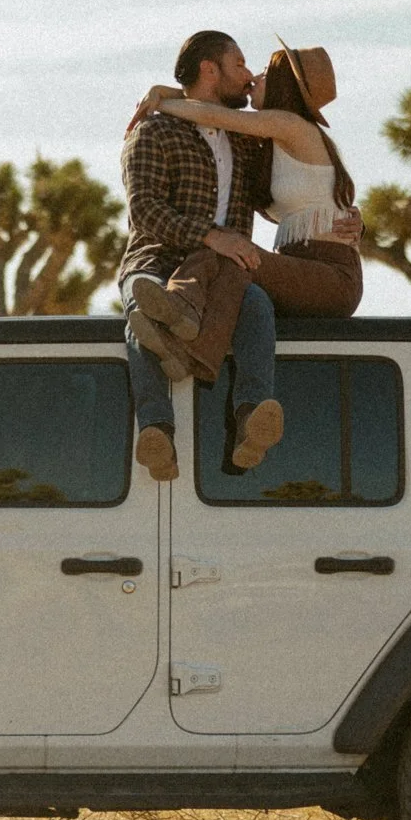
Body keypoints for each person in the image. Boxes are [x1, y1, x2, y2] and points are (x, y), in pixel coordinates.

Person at [128, 42, 363, 380]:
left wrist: (160, 102)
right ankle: (190, 353)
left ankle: (180, 306)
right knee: (235, 258)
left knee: (231, 251)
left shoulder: (291, 125)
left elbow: (213, 114)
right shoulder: (270, 146)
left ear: (285, 85)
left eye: (265, 74)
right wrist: (160, 90)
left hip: (330, 274)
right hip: (298, 264)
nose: (253, 78)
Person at [117, 31, 282, 482]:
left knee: (257, 307)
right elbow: (145, 210)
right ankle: (157, 432)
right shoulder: (153, 130)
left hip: (222, 275)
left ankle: (251, 417)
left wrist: (347, 215)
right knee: (142, 309)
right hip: (157, 260)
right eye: (241, 64)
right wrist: (212, 237)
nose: (248, 77)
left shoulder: (246, 138)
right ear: (210, 69)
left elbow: (288, 184)